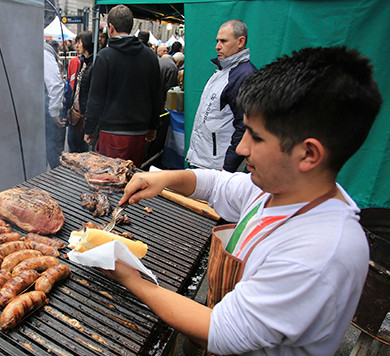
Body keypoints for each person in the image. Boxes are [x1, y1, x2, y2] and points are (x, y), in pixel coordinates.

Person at [106, 46, 382, 355]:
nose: (241, 148)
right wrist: (166, 178)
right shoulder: (279, 189)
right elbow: (218, 184)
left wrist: (130, 277)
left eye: (256, 136)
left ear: (308, 154)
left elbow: (222, 331)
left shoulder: (320, 251)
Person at [84, 5, 161, 167]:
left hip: (111, 133)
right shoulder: (150, 56)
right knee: (132, 178)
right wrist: (153, 126)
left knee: (108, 181)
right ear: (131, 26)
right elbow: (157, 95)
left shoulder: (105, 56)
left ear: (110, 27)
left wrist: (89, 128)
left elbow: (95, 97)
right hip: (139, 134)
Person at [185, 19, 257, 172]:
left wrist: (228, 167)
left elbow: (245, 126)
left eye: (223, 41)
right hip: (205, 161)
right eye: (217, 41)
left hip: (218, 167)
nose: (217, 46)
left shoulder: (244, 75)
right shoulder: (223, 71)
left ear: (240, 42)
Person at [66, 30, 93, 154]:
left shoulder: (93, 64)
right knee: (72, 149)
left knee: (83, 152)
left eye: (79, 42)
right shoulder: (80, 61)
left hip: (85, 117)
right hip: (75, 115)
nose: (76, 45)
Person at [43, 40, 65, 169]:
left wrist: (54, 112)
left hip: (48, 114)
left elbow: (56, 85)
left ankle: (60, 184)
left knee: (55, 156)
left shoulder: (44, 53)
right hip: (41, 114)